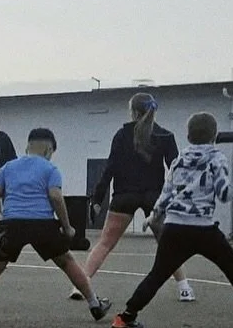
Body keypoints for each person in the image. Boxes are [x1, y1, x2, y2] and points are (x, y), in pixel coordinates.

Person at [110, 112, 233, 328]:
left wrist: (154, 215)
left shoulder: (179, 159)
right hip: (203, 228)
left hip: (174, 226)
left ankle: (126, 316)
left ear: (188, 136)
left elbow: (167, 191)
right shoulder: (216, 158)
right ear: (215, 135)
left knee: (158, 274)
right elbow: (224, 193)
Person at [0, 128, 110, 324]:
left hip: (13, 223)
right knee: (67, 262)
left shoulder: (8, 168)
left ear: (28, 146)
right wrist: (67, 226)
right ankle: (95, 304)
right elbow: (55, 197)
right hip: (42, 224)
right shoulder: (50, 169)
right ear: (49, 149)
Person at [70, 92, 196, 303]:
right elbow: (176, 170)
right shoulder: (165, 136)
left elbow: (109, 168)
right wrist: (177, 197)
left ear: (133, 112)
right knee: (167, 244)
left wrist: (97, 199)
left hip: (124, 195)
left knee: (104, 243)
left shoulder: (122, 135)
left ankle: (80, 285)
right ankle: (184, 288)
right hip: (153, 197)